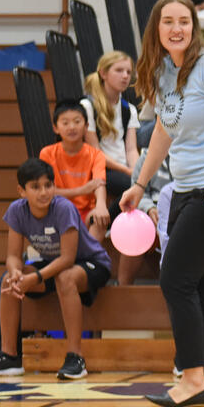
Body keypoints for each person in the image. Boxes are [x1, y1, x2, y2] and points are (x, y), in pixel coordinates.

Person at [118, 0, 204, 407]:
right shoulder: (163, 70)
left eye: (184, 21)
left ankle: (192, 377)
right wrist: (139, 185)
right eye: (168, 22)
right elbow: (163, 130)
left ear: (195, 28)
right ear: (156, 29)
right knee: (194, 284)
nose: (176, 29)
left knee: (174, 279)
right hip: (185, 189)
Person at [0, 157, 112, 380]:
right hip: (54, 266)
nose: (43, 192)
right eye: (35, 187)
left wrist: (35, 277)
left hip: (91, 263)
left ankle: (76, 357)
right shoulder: (16, 211)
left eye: (48, 185)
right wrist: (17, 271)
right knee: (9, 281)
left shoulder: (63, 208)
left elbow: (67, 258)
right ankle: (9, 357)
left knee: (65, 278)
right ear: (22, 191)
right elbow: (12, 256)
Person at [80, 51, 140, 282]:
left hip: (122, 170)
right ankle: (101, 225)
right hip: (98, 168)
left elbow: (131, 150)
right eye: (119, 71)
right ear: (103, 73)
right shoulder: (87, 105)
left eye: (128, 72)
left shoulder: (129, 110)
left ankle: (104, 223)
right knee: (131, 188)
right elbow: (95, 153)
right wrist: (129, 174)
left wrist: (137, 172)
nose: (125, 76)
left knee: (141, 186)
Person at [40, 100, 109, 241]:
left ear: (86, 126)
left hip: (85, 212)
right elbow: (46, 192)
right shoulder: (47, 153)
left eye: (77, 122)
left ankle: (89, 260)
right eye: (65, 123)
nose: (71, 127)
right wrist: (82, 190)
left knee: (99, 219)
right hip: (56, 210)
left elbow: (99, 184)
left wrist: (101, 205)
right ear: (56, 128)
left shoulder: (96, 155)